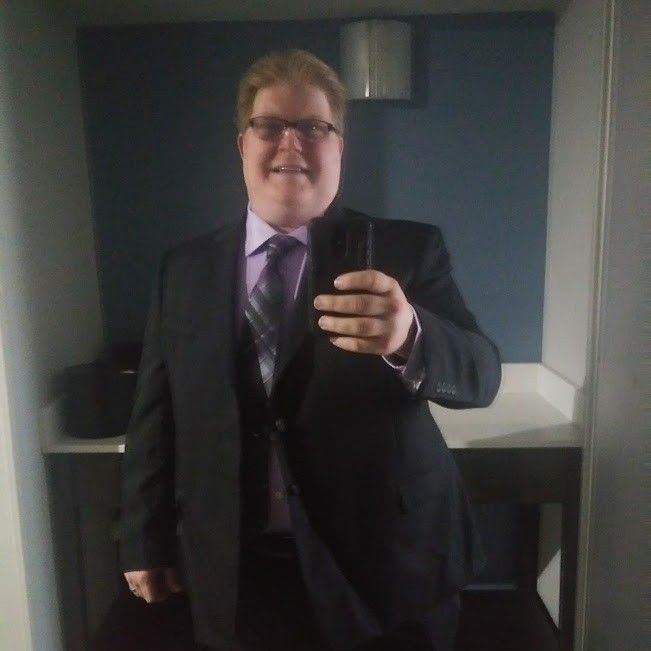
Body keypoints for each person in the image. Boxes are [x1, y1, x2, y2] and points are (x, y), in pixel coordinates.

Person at [120, 49, 501, 651]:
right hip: (236, 570)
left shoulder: (407, 251)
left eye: (314, 128)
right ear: (242, 145)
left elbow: (482, 376)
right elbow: (155, 413)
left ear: (339, 148)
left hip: (386, 567)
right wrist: (145, 538)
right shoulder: (183, 270)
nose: (291, 144)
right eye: (270, 125)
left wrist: (411, 336)